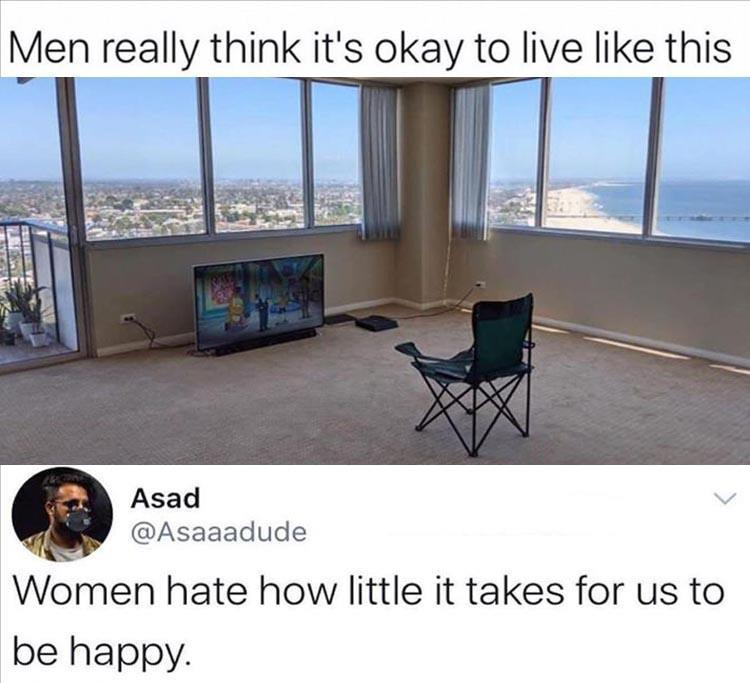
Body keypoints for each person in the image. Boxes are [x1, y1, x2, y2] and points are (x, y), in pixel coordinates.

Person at [22, 471, 101, 562]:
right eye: (72, 504)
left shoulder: (97, 548)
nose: (81, 510)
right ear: (50, 508)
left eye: (85, 505)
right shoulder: (28, 549)